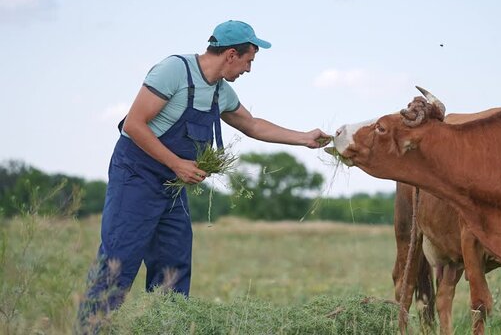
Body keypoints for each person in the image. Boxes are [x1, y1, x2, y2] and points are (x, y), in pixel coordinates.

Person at [76, 20, 330, 332]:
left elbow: (253, 125)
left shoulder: (221, 92)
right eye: (250, 61)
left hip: (171, 186)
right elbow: (134, 125)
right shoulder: (174, 71)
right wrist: (177, 164)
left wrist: (304, 137)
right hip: (136, 176)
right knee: (119, 260)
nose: (249, 69)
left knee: (173, 265)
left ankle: (167, 328)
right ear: (232, 55)